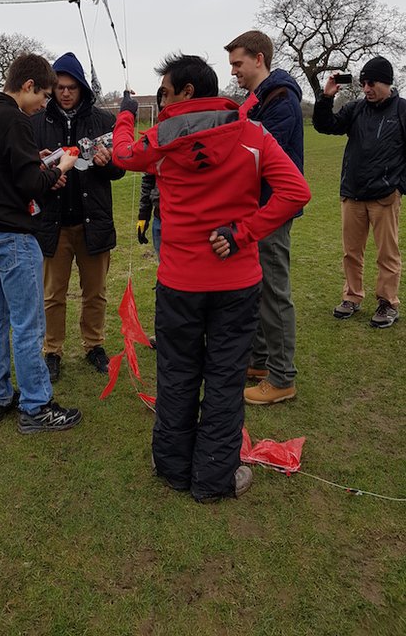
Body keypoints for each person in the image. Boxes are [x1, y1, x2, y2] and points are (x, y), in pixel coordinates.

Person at [112, 53, 311, 503]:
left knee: (178, 372)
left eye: (163, 91)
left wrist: (126, 113)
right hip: (234, 283)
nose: (161, 99)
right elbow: (296, 192)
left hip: (182, 284)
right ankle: (211, 475)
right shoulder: (251, 131)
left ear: (186, 91)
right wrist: (246, 233)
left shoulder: (161, 138)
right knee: (224, 376)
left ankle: (175, 467)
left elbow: (123, 154)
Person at [0, 53, 82, 433]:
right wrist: (59, 168)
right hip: (13, 236)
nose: (45, 105)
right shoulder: (14, 117)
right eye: (44, 95)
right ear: (28, 86)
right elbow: (32, 185)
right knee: (29, 324)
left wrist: (36, 159)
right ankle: (36, 405)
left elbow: (4, 169)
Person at [31, 52, 125, 381]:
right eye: (59, 87)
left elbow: (120, 169)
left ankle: (94, 344)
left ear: (82, 88)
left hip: (93, 222)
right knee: (52, 294)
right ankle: (52, 350)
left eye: (72, 87)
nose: (66, 93)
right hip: (52, 224)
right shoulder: (36, 122)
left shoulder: (103, 122)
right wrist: (44, 177)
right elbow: (27, 173)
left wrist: (108, 163)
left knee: (95, 291)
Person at [224, 30, 305, 405]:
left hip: (271, 210)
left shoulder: (281, 99)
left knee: (274, 291)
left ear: (259, 59)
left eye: (238, 63)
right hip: (255, 209)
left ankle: (282, 377)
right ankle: (258, 362)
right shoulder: (259, 99)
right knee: (257, 288)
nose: (234, 71)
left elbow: (257, 153)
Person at [313, 56, 406, 328]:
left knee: (387, 254)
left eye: (372, 82)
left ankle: (387, 303)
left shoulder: (402, 110)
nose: (366, 88)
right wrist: (326, 98)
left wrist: (399, 187)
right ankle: (352, 297)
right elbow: (326, 126)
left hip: (385, 197)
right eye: (364, 83)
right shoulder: (355, 109)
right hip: (352, 194)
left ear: (386, 82)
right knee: (351, 252)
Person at [137, 88, 163, 259]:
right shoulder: (157, 137)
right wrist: (143, 217)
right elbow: (148, 180)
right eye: (161, 99)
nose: (163, 104)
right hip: (160, 219)